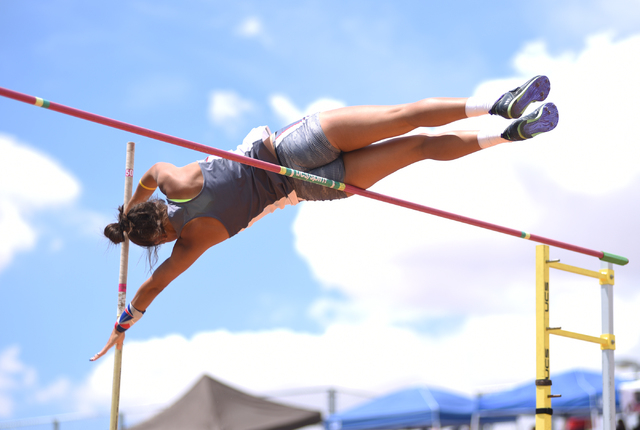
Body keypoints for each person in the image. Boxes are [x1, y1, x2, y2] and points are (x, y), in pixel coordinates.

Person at [90, 75, 558, 361]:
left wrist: (122, 325)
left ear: (158, 240)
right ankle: (499, 105)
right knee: (405, 116)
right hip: (291, 148)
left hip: (308, 188)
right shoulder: (175, 184)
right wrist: (131, 203)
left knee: (418, 149)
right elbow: (151, 173)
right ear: (154, 212)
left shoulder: (189, 245)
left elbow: (151, 290)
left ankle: (509, 135)